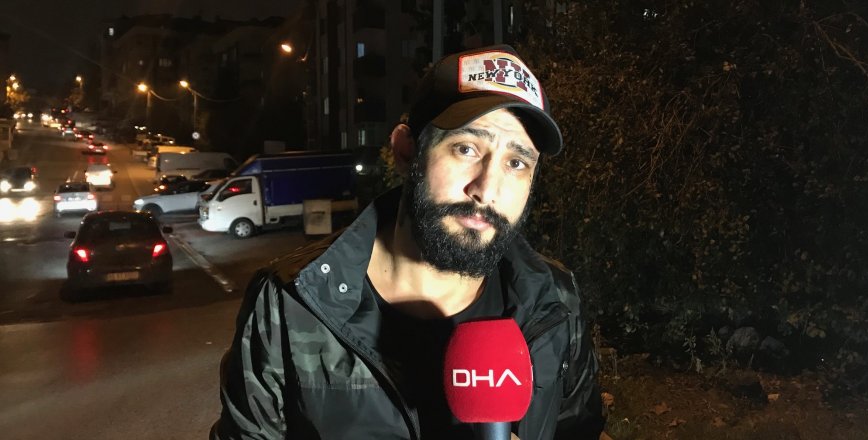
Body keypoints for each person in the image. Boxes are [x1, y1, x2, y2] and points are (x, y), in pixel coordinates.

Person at [210, 44, 605, 440]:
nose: (487, 190)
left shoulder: (554, 300)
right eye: (466, 148)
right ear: (405, 152)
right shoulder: (292, 302)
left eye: (516, 163)